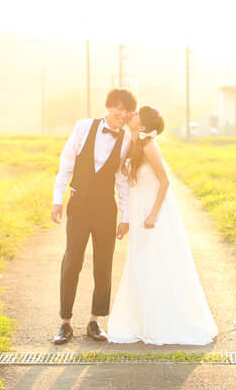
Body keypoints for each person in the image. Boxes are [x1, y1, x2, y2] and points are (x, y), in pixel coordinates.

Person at [107, 106, 219, 345]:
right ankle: (140, 319)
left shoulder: (149, 146)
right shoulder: (133, 145)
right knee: (141, 263)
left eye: (137, 114)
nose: (132, 115)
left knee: (157, 261)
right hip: (139, 212)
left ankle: (161, 320)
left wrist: (153, 214)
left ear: (144, 125)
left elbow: (165, 181)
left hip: (153, 213)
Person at [50, 88, 135, 345]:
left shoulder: (127, 140)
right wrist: (57, 199)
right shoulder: (84, 127)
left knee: (103, 264)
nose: (122, 113)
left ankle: (95, 321)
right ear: (108, 106)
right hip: (79, 204)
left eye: (127, 110)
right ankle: (65, 322)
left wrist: (125, 215)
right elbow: (66, 163)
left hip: (105, 209)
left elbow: (122, 180)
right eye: (117, 107)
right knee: (72, 260)